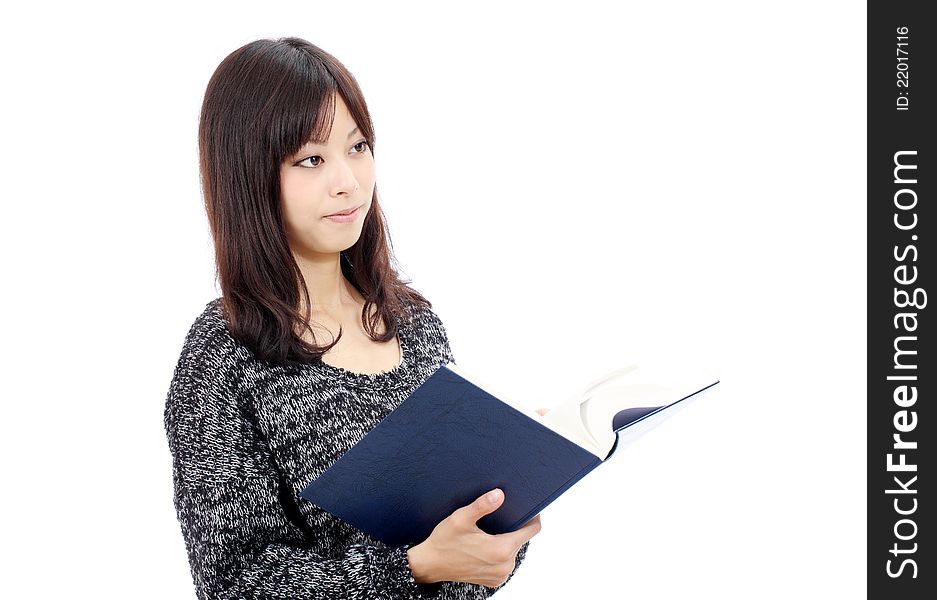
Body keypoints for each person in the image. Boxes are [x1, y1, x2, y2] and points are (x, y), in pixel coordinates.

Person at [163, 37, 542, 600]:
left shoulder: (413, 321)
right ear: (248, 174)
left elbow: (462, 549)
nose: (348, 180)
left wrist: (506, 501)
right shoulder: (224, 352)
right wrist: (410, 568)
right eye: (311, 159)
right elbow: (234, 584)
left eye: (358, 146)